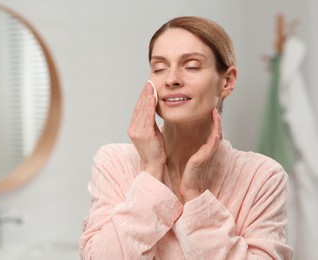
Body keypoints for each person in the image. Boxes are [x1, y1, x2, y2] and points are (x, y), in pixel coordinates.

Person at [79, 16, 293, 259]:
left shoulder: (262, 177)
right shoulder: (114, 163)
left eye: (191, 66)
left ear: (227, 81)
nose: (171, 79)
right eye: (159, 68)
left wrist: (195, 195)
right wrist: (150, 171)